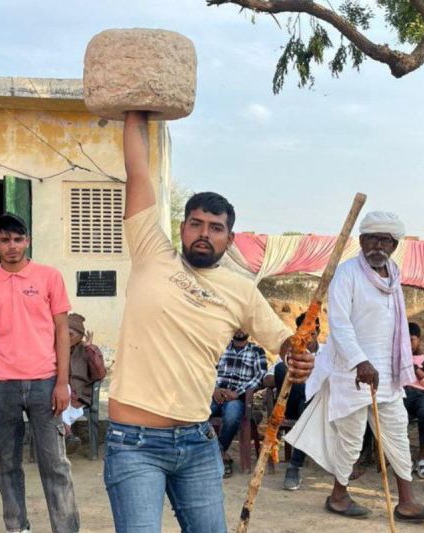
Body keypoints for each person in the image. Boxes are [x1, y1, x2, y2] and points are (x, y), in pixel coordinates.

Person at [105, 111, 314, 533]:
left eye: (215, 228)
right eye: (196, 224)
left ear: (229, 238)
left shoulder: (240, 290)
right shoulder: (151, 252)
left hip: (197, 442)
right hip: (134, 442)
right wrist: (136, 112)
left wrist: (300, 354)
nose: (204, 233)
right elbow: (137, 171)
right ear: (181, 228)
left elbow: (287, 342)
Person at [285, 211, 424, 523]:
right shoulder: (347, 274)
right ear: (361, 240)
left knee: (397, 433)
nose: (378, 245)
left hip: (388, 375)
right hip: (352, 373)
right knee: (351, 438)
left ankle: (408, 502)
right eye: (373, 238)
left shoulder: (395, 276)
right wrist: (360, 361)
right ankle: (339, 495)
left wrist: (379, 366)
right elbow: (340, 324)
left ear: (394, 245)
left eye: (386, 240)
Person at [0, 213, 79, 533]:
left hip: (44, 382)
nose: (12, 246)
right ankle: (17, 527)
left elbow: (63, 333)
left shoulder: (49, 277)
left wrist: (63, 383)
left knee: (55, 464)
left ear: (27, 241)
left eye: (18, 239)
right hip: (1, 382)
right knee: (6, 463)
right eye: (4, 240)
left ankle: (66, 529)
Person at [263, 312, 320, 490]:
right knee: (281, 368)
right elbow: (268, 379)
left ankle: (294, 467)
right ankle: (294, 467)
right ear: (298, 332)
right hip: (290, 403)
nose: (309, 334)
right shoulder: (291, 352)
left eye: (313, 330)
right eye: (305, 330)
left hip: (315, 407)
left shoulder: (328, 352)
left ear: (318, 330)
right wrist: (292, 374)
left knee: (308, 403)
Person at [210, 329, 267, 478]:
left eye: (244, 326)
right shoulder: (219, 347)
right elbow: (207, 370)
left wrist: (238, 392)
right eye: (237, 326)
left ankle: (217, 452)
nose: (241, 330)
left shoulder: (256, 351)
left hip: (238, 398)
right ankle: (220, 454)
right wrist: (214, 388)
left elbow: (260, 376)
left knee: (231, 415)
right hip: (215, 394)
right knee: (195, 413)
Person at [61, 313, 103, 454]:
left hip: (79, 396)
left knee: (64, 390)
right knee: (62, 390)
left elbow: (100, 374)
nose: (67, 337)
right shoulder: (55, 348)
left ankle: (66, 435)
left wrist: (90, 349)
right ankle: (68, 435)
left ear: (80, 336)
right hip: (56, 396)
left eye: (71, 334)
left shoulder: (87, 350)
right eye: (64, 333)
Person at [403, 322, 424, 480]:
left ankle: (423, 456)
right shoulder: (399, 357)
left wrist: (414, 368)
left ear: (419, 339)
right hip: (401, 393)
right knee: (393, 414)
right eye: (405, 340)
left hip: (421, 394)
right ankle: (404, 456)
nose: (408, 343)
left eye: (412, 339)